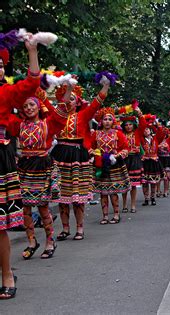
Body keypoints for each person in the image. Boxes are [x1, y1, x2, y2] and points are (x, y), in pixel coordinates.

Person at [0, 34, 40, 299]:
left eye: (0, 64)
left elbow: (32, 82)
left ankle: (7, 274)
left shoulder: (5, 92)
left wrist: (32, 51)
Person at [11, 93, 74, 260]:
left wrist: (67, 89)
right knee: (25, 208)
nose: (29, 108)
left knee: (43, 208)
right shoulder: (19, 125)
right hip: (24, 168)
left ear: (39, 107)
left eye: (32, 105)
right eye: (25, 106)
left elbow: (62, 108)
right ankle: (32, 242)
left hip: (42, 167)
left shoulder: (48, 124)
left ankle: (50, 241)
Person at [52, 80, 110, 241]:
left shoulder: (83, 115)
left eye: (72, 98)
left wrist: (105, 86)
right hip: (60, 155)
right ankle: (65, 228)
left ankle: (79, 228)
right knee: (61, 195)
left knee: (77, 197)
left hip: (78, 155)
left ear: (77, 101)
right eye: (66, 97)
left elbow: (96, 103)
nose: (69, 100)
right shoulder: (57, 115)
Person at [91, 107, 130, 224]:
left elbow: (126, 148)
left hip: (114, 164)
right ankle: (105, 216)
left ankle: (116, 214)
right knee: (103, 191)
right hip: (100, 164)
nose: (107, 121)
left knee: (113, 191)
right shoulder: (96, 134)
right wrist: (94, 154)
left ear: (113, 121)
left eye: (109, 119)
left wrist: (116, 156)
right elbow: (90, 147)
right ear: (101, 121)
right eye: (105, 119)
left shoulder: (118, 133)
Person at [120, 107, 145, 213]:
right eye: (126, 125)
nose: (128, 126)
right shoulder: (120, 134)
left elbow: (143, 124)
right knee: (124, 184)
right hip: (124, 159)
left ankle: (133, 205)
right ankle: (124, 205)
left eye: (130, 124)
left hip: (134, 159)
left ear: (133, 125)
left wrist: (139, 113)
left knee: (133, 185)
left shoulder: (137, 133)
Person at [141, 119, 164, 206]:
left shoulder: (155, 138)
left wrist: (158, 124)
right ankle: (146, 199)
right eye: (144, 130)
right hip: (145, 162)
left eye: (147, 129)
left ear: (150, 130)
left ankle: (153, 198)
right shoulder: (141, 140)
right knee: (145, 182)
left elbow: (161, 133)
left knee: (153, 182)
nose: (145, 131)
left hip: (154, 162)